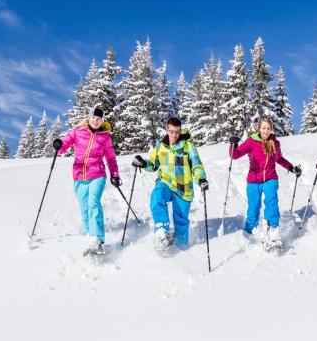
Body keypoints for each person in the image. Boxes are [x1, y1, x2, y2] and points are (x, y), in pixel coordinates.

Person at [52, 105, 121, 253]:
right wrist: (59, 144)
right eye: (93, 118)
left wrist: (114, 175)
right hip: (79, 176)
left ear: (102, 120)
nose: (96, 121)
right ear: (89, 118)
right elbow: (64, 144)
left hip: (97, 175)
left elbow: (111, 159)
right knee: (85, 209)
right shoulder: (78, 132)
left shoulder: (105, 137)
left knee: (93, 203)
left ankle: (97, 239)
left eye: (99, 119)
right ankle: (90, 235)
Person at [132, 117, 208, 252]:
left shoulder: (188, 146)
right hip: (166, 182)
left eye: (177, 132)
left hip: (183, 187)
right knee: (157, 196)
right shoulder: (159, 146)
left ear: (180, 130)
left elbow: (197, 166)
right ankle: (161, 230)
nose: (174, 135)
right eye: (171, 131)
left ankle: (182, 248)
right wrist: (143, 163)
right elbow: (153, 165)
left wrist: (201, 179)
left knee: (181, 221)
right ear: (166, 130)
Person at [229, 116, 301, 250]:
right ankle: (248, 231)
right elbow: (235, 155)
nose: (266, 131)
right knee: (253, 208)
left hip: (270, 178)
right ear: (259, 128)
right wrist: (233, 144)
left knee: (271, 201)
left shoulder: (275, 143)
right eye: (263, 128)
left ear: (271, 129)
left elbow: (279, 159)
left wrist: (291, 168)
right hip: (253, 180)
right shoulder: (251, 141)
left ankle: (273, 229)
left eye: (268, 128)